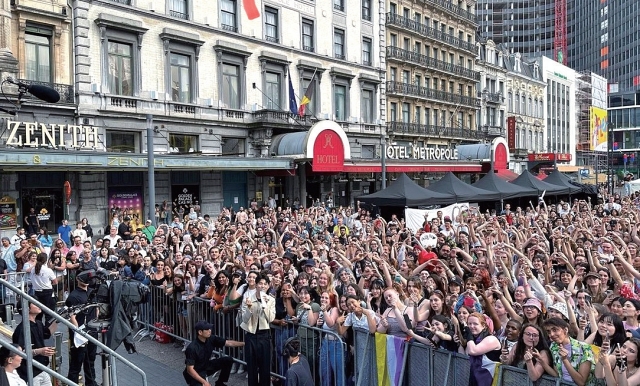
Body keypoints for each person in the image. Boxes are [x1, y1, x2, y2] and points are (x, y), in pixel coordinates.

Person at [240, 272, 276, 386]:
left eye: (265, 284)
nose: (262, 286)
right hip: (251, 335)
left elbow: (270, 318)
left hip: (264, 336)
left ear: (268, 286)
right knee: (252, 368)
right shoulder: (248, 298)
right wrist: (249, 309)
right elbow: (244, 320)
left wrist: (265, 304)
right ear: (256, 285)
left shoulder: (271, 300)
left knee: (265, 368)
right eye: (260, 283)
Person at [183, 320, 244, 386]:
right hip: (195, 372)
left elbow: (228, 343)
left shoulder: (211, 338)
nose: (210, 330)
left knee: (228, 360)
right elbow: (190, 370)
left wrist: (245, 343)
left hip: (206, 366)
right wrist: (204, 382)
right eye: (207, 329)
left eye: (210, 328)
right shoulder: (192, 348)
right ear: (200, 332)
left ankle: (220, 383)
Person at [12, 302, 56, 386]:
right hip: (30, 372)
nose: (39, 305)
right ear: (27, 309)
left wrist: (57, 321)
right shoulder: (21, 329)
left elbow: (47, 333)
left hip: (42, 368)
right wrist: (39, 351)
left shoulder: (38, 323)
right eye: (35, 304)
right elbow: (19, 352)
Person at [65, 273, 97, 386]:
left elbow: (96, 308)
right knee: (76, 363)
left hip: (92, 331)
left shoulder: (92, 292)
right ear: (78, 280)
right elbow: (71, 316)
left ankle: (91, 383)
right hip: (79, 335)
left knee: (90, 361)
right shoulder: (73, 296)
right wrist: (78, 333)